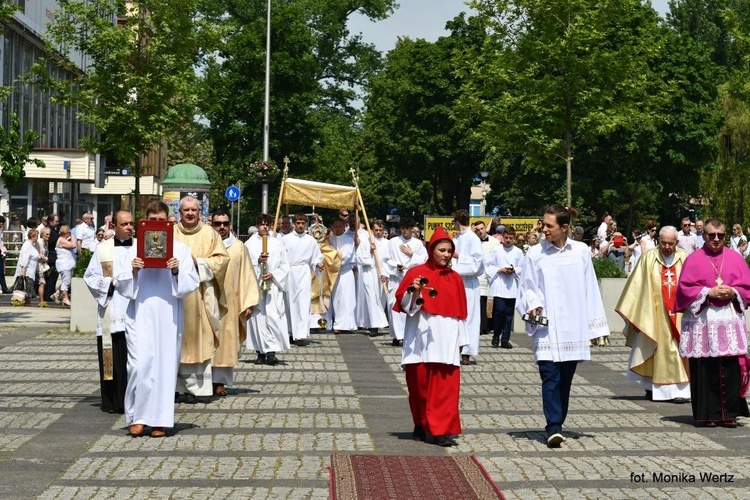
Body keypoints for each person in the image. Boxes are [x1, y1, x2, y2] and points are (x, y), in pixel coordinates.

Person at [517, 205, 609, 448]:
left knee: (565, 380)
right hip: (546, 327)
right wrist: (534, 304)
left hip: (572, 326)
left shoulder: (580, 252)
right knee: (550, 376)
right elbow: (527, 286)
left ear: (564, 227)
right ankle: (553, 426)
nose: (543, 229)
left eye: (549, 226)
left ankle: (558, 420)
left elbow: (590, 287)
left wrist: (595, 327)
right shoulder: (535, 254)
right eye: (543, 224)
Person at [124, 201, 200, 437]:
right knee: (139, 365)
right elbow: (122, 285)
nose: (157, 225)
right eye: (152, 220)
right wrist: (133, 271)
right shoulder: (133, 248)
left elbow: (191, 283)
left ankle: (160, 420)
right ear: (145, 221)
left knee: (165, 367)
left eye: (161, 221)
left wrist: (177, 271)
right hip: (140, 312)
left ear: (169, 222)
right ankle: (138, 416)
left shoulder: (181, 249)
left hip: (168, 313)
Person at [395, 226, 468, 447]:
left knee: (445, 387)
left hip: (446, 339)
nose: (446, 255)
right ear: (431, 250)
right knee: (419, 386)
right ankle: (421, 422)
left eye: (449, 251)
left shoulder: (455, 278)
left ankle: (440, 430)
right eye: (442, 250)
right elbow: (405, 305)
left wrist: (462, 341)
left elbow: (461, 313)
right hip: (419, 338)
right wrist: (414, 290)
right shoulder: (416, 273)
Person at [675, 218, 750, 428]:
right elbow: (684, 289)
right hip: (704, 320)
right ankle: (707, 415)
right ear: (704, 236)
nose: (716, 239)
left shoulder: (735, 258)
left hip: (727, 317)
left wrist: (733, 291)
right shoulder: (694, 259)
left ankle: (728, 415)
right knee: (705, 368)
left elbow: (747, 288)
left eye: (720, 236)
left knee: (729, 367)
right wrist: (709, 292)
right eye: (711, 235)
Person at [616, 226, 691, 403]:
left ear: (677, 242)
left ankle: (678, 390)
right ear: (658, 240)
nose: (666, 246)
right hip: (653, 312)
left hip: (680, 313)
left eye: (670, 243)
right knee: (651, 344)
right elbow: (637, 286)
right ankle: (651, 386)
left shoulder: (685, 258)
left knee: (677, 348)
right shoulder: (648, 258)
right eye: (663, 242)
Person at [173, 195, 230, 402]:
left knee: (200, 339)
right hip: (175, 297)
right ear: (179, 212)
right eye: (186, 210)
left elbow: (222, 260)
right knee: (175, 341)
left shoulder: (210, 234)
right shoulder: (170, 233)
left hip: (200, 296)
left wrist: (199, 263)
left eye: (193, 210)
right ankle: (175, 388)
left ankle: (197, 389)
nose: (189, 213)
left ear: (200, 212)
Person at [84, 210, 135, 414]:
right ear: (114, 226)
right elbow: (90, 276)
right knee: (112, 360)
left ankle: (135, 401)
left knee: (132, 360)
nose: (130, 227)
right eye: (125, 224)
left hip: (135, 312)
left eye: (132, 223)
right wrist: (110, 282)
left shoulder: (142, 247)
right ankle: (114, 401)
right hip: (112, 311)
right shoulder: (103, 249)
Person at [211, 210, 260, 395]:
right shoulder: (207, 244)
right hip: (208, 299)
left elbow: (247, 274)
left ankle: (220, 382)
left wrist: (248, 303)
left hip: (231, 301)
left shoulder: (239, 246)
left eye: (225, 223)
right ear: (211, 224)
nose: (222, 227)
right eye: (217, 223)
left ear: (230, 225)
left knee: (226, 342)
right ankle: (204, 380)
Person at [245, 214, 290, 365]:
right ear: (257, 226)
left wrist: (273, 274)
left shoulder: (277, 244)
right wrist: (257, 263)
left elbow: (285, 265)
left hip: (272, 287)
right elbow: (245, 265)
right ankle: (259, 352)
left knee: (273, 317)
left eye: (267, 224)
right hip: (256, 285)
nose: (264, 227)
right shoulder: (249, 244)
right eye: (261, 224)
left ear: (271, 226)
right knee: (258, 319)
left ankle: (271, 352)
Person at [383, 217, 428, 346]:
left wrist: (412, 254)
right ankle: (397, 335)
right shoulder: (392, 242)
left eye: (407, 229)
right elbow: (386, 259)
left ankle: (408, 333)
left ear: (411, 229)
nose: (405, 231)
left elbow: (424, 260)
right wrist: (396, 266)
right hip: (396, 277)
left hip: (410, 278)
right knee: (394, 305)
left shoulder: (418, 244)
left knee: (408, 304)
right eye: (402, 229)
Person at [282, 213, 323, 346]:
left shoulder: (310, 240)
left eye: (302, 223)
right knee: (290, 302)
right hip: (290, 272)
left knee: (303, 303)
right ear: (294, 224)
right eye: (298, 223)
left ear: (305, 225)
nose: (300, 226)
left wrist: (317, 263)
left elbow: (316, 256)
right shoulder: (286, 239)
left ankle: (300, 334)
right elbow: (281, 256)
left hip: (304, 272)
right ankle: (290, 332)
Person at [452, 209, 484, 365]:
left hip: (468, 283)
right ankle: (454, 349)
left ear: (458, 222)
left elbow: (477, 264)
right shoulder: (456, 238)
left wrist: (459, 257)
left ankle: (467, 353)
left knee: (469, 317)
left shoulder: (473, 239)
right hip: (455, 282)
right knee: (455, 316)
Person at [485, 226, 524, 349]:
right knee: (499, 312)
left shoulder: (518, 252)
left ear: (514, 238)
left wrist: (514, 270)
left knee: (508, 314)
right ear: (503, 237)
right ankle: (496, 335)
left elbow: (523, 267)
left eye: (510, 238)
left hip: (511, 285)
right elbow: (488, 265)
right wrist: (499, 269)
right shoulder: (496, 250)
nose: (508, 240)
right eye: (506, 238)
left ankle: (505, 339)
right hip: (500, 284)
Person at [355, 219, 389, 337]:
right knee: (371, 298)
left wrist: (386, 273)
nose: (378, 232)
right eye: (376, 230)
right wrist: (369, 252)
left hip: (381, 272)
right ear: (372, 230)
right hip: (369, 271)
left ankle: (380, 323)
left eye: (380, 230)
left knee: (380, 298)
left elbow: (389, 260)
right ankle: (373, 326)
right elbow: (358, 257)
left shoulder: (387, 243)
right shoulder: (366, 241)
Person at [328, 217, 357, 333]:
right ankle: (337, 323)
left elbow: (346, 255)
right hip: (332, 273)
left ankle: (347, 325)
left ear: (344, 227)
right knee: (336, 299)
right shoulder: (330, 240)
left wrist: (332, 258)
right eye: (336, 226)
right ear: (333, 227)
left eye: (340, 226)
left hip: (345, 272)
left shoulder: (349, 240)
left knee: (346, 299)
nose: (338, 228)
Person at [472, 220, 500, 336]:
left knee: (495, 300)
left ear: (485, 228)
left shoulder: (495, 241)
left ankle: (494, 325)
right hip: (479, 274)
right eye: (477, 229)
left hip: (493, 273)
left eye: (481, 228)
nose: (480, 231)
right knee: (480, 301)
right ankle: (481, 326)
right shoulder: (473, 241)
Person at [52, 225, 77, 306]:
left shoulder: (64, 239)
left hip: (68, 264)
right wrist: (72, 236)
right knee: (66, 282)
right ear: (65, 233)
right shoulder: (61, 240)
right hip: (64, 264)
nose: (69, 234)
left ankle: (56, 294)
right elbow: (73, 245)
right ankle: (65, 298)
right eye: (68, 232)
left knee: (66, 281)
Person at [15, 229, 41, 302]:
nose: (37, 238)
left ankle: (27, 302)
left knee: (28, 289)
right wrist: (23, 269)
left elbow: (33, 255)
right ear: (33, 237)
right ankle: (21, 301)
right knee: (26, 288)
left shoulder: (32, 245)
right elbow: (25, 257)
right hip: (27, 271)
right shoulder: (27, 245)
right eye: (36, 236)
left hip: (31, 270)